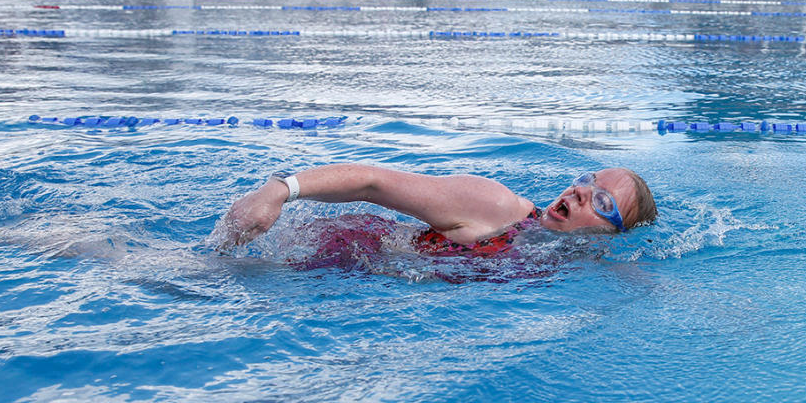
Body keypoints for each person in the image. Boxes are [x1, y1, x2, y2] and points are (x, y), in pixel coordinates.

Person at [214, 163, 657, 254]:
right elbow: (374, 182)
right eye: (586, 180)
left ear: (612, 233)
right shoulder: (500, 207)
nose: (582, 192)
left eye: (601, 200)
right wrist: (278, 190)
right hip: (336, 250)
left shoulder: (579, 260)